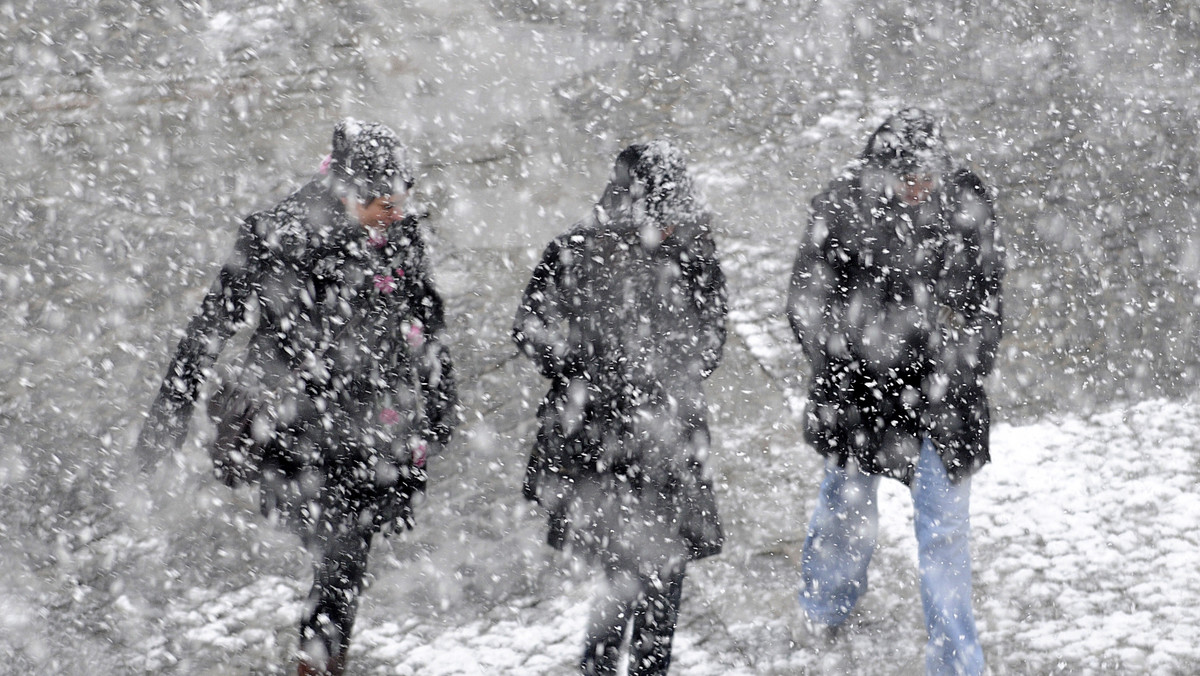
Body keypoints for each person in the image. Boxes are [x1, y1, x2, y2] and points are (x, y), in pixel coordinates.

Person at [135, 119, 458, 676]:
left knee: (347, 555)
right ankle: (315, 653)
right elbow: (210, 327)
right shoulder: (275, 235)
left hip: (369, 423)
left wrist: (438, 400)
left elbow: (426, 322)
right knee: (339, 550)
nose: (394, 211)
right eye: (382, 201)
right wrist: (169, 417)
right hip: (286, 425)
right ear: (347, 192)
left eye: (399, 198)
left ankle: (319, 658)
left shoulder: (400, 237)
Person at [786, 108, 1003, 676]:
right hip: (859, 395)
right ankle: (824, 609)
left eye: (926, 175)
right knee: (843, 510)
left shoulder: (966, 207)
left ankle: (956, 664)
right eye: (906, 176)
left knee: (944, 537)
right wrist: (845, 359)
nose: (917, 187)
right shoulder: (841, 207)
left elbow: (986, 300)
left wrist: (959, 368)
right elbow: (808, 302)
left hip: (943, 402)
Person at [513, 141, 727, 676]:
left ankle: (643, 668)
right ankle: (602, 667)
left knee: (665, 570)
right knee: (623, 569)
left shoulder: (694, 252)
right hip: (603, 439)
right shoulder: (583, 249)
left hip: (668, 435)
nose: (675, 222)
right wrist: (582, 369)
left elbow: (713, 334)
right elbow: (531, 324)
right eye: (665, 209)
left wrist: (674, 372)